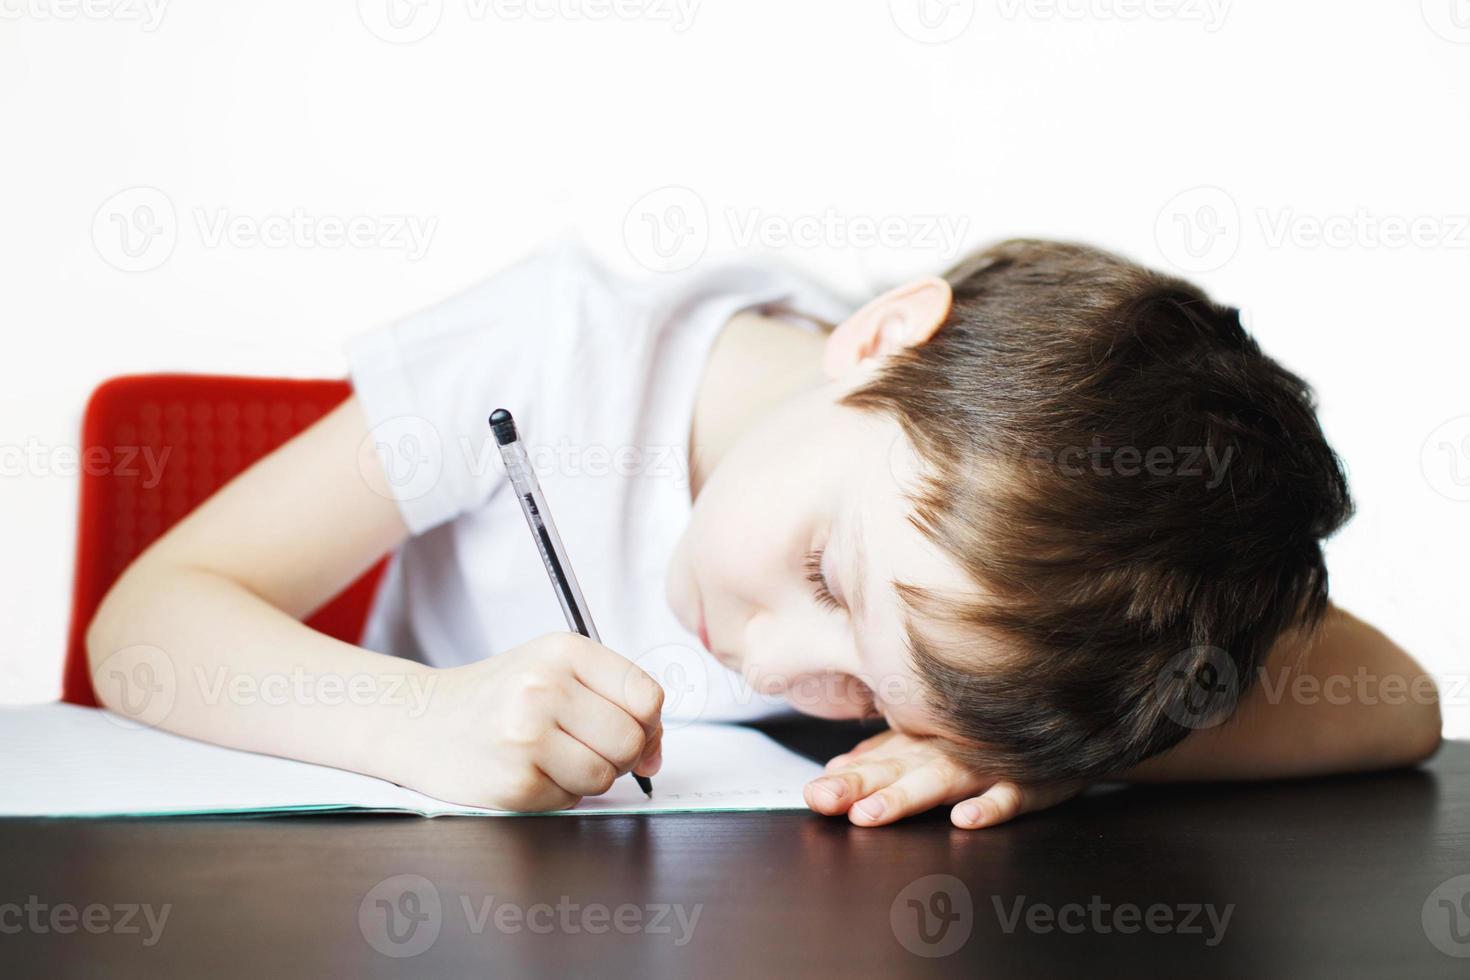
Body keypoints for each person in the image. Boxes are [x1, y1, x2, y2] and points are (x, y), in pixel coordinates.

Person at [87, 237, 1442, 829]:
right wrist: (415, 723)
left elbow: (1394, 702)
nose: (774, 657)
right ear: (875, 341)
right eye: (822, 574)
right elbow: (148, 621)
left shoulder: (1003, 559)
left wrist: (1037, 744)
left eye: (862, 691)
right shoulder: (541, 357)